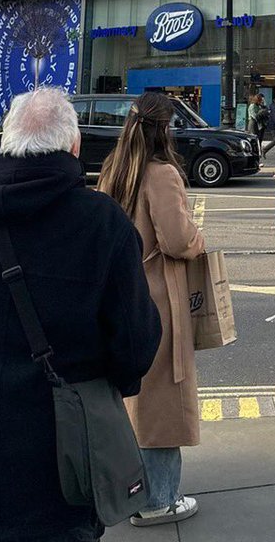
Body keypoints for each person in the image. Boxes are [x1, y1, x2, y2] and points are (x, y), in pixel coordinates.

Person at [0, 86, 161, 542]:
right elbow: (136, 345)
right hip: (63, 464)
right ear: (74, 146)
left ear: (6, 140)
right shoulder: (103, 224)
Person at [97, 92, 205, 527]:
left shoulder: (113, 169)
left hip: (120, 296)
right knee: (162, 401)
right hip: (158, 297)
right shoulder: (160, 174)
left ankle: (130, 490)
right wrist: (198, 237)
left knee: (131, 400)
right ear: (164, 129)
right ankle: (160, 499)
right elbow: (177, 240)